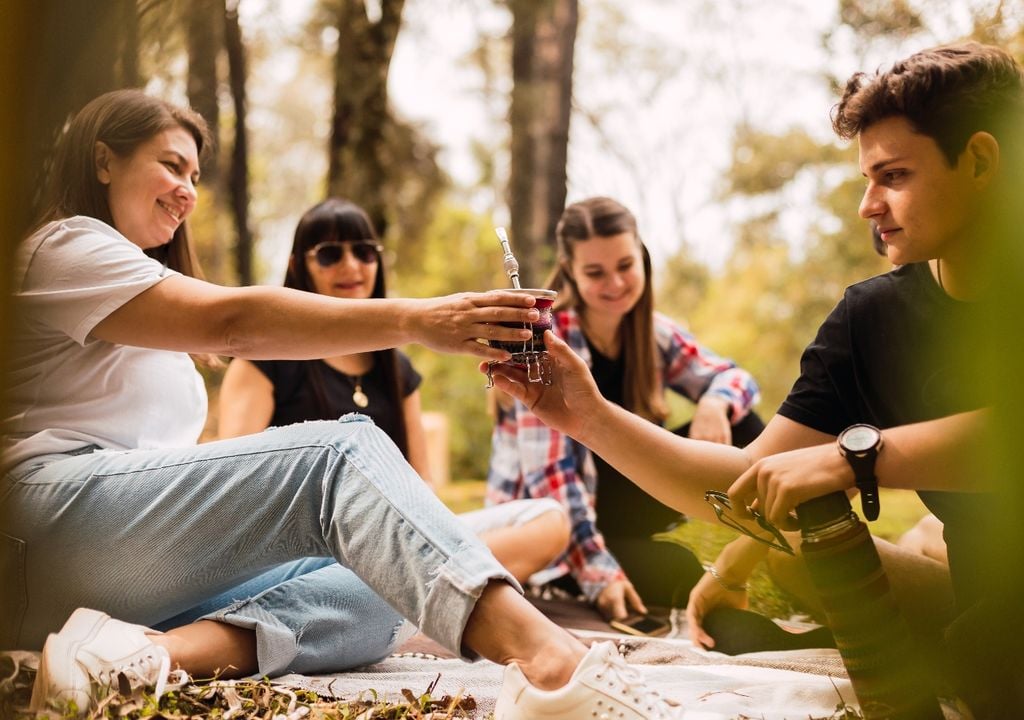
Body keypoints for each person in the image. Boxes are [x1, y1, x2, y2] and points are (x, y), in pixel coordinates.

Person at [0, 89, 683, 720]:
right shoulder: (63, 247)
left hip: (109, 564)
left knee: (385, 574)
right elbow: (231, 323)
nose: (186, 191)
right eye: (171, 166)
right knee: (337, 451)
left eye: (196, 178)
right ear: (102, 161)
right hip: (41, 527)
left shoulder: (133, 283)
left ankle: (135, 656)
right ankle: (554, 667)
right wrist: (419, 318)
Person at [486, 42, 1020, 715]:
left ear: (978, 160)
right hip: (979, 592)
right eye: (866, 177)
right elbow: (746, 486)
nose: (868, 204)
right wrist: (586, 414)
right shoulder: (871, 317)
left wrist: (852, 459)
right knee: (799, 547)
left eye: (894, 176)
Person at [218, 197, 570, 584]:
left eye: (365, 252)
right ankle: (425, 589)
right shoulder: (263, 360)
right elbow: (238, 489)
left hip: (398, 540)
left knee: (547, 522)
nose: (351, 265)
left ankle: (412, 587)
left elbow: (422, 484)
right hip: (307, 554)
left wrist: (425, 535)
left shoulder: (397, 368)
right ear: (298, 265)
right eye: (330, 254)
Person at [487, 196, 763, 620]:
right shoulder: (544, 342)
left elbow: (736, 378)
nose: (615, 283)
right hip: (562, 524)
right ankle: (594, 570)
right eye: (595, 272)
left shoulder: (653, 333)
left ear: (642, 259)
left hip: (623, 497)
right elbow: (552, 477)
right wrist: (601, 574)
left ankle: (774, 549)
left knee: (745, 425)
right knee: (679, 576)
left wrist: (714, 401)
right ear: (572, 274)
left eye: (625, 266)